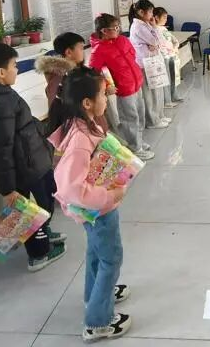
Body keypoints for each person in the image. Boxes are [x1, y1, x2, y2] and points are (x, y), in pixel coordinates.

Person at [47, 67, 131, 341]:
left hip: (94, 210)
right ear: (87, 102)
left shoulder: (81, 124)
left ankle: (95, 295)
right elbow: (72, 187)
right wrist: (110, 196)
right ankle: (98, 322)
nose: (107, 99)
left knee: (97, 254)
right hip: (98, 211)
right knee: (111, 259)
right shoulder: (81, 138)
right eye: (103, 95)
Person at [0, 42, 66, 272]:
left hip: (31, 160)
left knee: (44, 202)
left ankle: (43, 233)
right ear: (1, 72)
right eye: (14, 65)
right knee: (28, 212)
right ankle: (38, 255)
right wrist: (8, 189)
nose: (17, 69)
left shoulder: (0, 92)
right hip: (25, 167)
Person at [89, 13, 154, 161]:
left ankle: (138, 141)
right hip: (124, 89)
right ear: (104, 31)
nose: (118, 29)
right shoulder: (98, 50)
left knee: (140, 114)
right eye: (115, 28)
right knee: (130, 118)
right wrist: (107, 85)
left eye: (118, 26)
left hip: (136, 83)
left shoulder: (123, 40)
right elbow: (94, 73)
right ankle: (134, 147)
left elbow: (132, 57)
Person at [35, 32, 108, 133]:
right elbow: (58, 107)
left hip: (89, 123)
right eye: (81, 48)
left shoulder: (78, 71)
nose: (83, 51)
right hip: (81, 128)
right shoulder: (61, 78)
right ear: (69, 52)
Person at [128, 0, 170, 129]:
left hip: (152, 62)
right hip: (145, 64)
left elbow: (160, 42)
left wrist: (154, 29)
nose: (152, 14)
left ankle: (159, 115)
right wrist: (154, 41)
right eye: (150, 11)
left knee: (158, 90)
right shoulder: (138, 26)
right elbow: (156, 41)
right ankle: (152, 121)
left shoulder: (146, 24)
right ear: (141, 12)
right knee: (150, 94)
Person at [153, 6, 183, 108]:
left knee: (173, 77)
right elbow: (158, 44)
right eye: (164, 17)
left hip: (171, 56)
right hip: (163, 57)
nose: (166, 19)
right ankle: (167, 101)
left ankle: (174, 95)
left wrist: (175, 47)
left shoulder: (164, 28)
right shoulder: (154, 30)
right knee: (166, 79)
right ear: (156, 17)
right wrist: (167, 51)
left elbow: (174, 40)